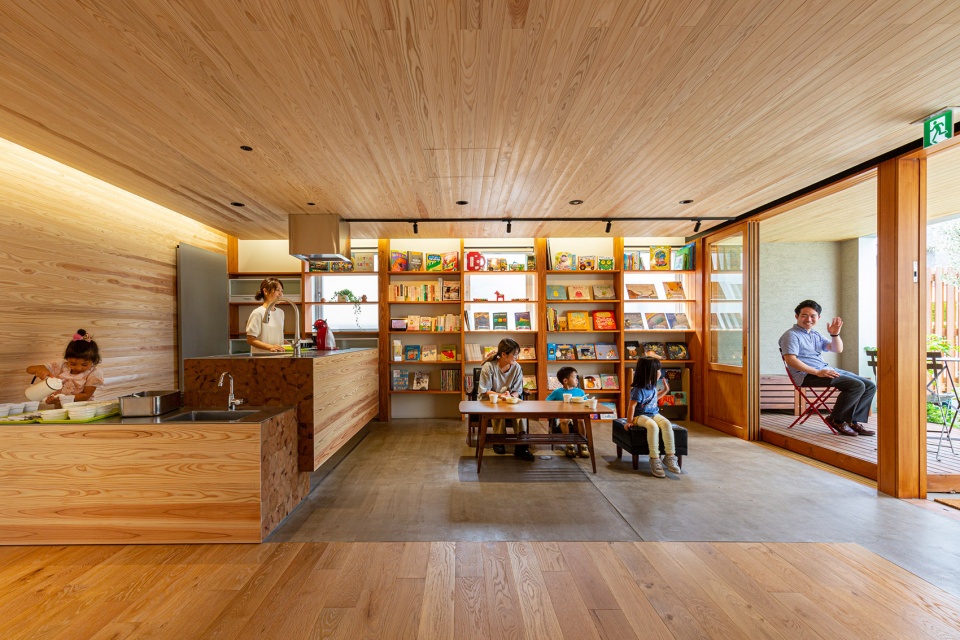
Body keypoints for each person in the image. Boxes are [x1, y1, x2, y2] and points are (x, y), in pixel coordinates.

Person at [779, 299, 876, 437]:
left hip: (824, 370)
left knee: (870, 385)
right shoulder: (791, 335)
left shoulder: (815, 334)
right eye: (804, 315)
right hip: (807, 375)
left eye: (812, 316)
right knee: (856, 385)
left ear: (818, 317)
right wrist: (817, 372)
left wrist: (835, 334)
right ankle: (837, 420)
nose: (808, 319)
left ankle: (852, 421)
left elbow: (837, 349)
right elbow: (791, 360)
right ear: (797, 316)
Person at [625, 356, 681, 478]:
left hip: (653, 413)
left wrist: (665, 390)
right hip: (639, 416)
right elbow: (631, 406)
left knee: (666, 423)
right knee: (652, 426)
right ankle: (655, 459)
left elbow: (654, 399)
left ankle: (670, 456)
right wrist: (629, 421)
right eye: (658, 370)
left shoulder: (652, 386)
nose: (660, 372)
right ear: (650, 372)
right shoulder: (638, 389)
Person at [478, 338, 532, 461]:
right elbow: (485, 390)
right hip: (489, 398)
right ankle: (499, 441)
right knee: (497, 409)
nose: (517, 357)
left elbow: (518, 391)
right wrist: (500, 396)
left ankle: (521, 446)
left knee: (520, 413)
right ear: (504, 354)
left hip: (508, 399)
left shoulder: (517, 368)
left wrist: (511, 396)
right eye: (515, 354)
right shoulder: (489, 367)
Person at [26, 329, 104, 407]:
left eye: (84, 365)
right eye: (73, 364)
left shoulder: (94, 373)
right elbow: (29, 369)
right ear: (67, 359)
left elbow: (85, 395)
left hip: (83, 409)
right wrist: (41, 369)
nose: (78, 368)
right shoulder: (61, 366)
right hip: (60, 408)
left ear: (93, 361)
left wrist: (61, 398)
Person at [544, 366, 589, 458]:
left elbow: (586, 403)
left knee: (581, 420)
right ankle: (569, 444)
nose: (577, 380)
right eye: (574, 377)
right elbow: (547, 402)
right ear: (565, 380)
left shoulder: (580, 392)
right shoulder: (557, 392)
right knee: (563, 420)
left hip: (577, 414)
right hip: (562, 415)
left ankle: (583, 443)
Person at [246, 277, 287, 353]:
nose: (281, 294)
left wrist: (292, 345)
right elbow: (250, 339)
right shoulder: (257, 313)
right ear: (265, 291)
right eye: (277, 290)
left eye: (282, 291)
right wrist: (270, 347)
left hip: (279, 356)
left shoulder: (281, 312)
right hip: (262, 358)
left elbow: (278, 337)